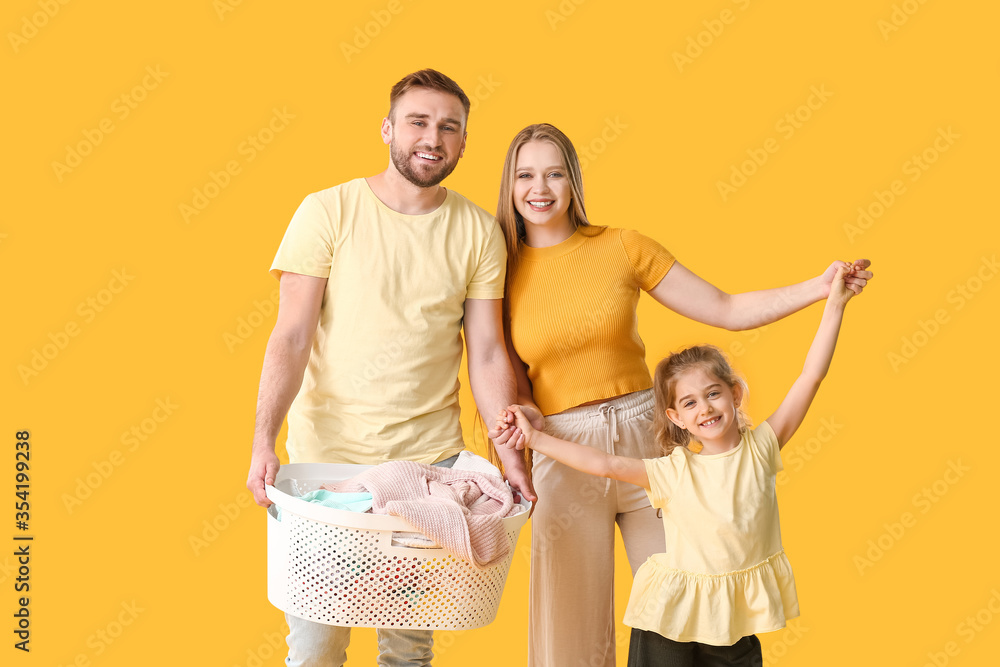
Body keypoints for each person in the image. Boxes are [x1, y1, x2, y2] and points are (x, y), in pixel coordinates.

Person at [488, 123, 871, 667]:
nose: (539, 188)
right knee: (565, 637)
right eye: (525, 175)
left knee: (692, 608)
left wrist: (822, 286)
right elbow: (495, 361)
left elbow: (727, 309)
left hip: (649, 437)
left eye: (554, 173)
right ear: (509, 184)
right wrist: (520, 431)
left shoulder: (623, 246)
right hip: (565, 445)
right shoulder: (497, 266)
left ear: (573, 181)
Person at [245, 69, 535, 667]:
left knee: (408, 648)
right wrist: (262, 441)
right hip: (329, 470)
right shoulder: (327, 211)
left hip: (427, 467)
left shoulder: (479, 231)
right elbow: (292, 335)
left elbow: (485, 353)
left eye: (449, 127)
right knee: (318, 647)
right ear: (388, 129)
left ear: (462, 143)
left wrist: (511, 462)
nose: (433, 137)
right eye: (419, 122)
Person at [496, 265, 857, 665]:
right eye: (689, 403)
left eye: (713, 394)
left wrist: (834, 304)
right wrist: (535, 439)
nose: (705, 408)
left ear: (735, 395)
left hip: (730, 617)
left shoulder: (762, 448)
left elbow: (811, 376)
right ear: (675, 417)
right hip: (670, 618)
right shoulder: (672, 470)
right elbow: (603, 463)